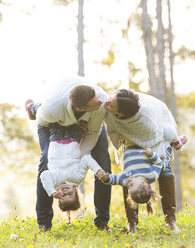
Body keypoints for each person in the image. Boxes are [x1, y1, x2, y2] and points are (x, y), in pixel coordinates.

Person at [25, 76, 112, 232]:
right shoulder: (52, 108)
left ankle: (102, 222)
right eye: (96, 103)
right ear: (81, 108)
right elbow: (43, 122)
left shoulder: (100, 102)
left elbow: (93, 132)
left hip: (88, 123)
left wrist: (77, 153)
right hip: (52, 122)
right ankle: (44, 223)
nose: (101, 103)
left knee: (103, 162)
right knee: (45, 158)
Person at [104, 89, 187, 232]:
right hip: (132, 143)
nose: (108, 103)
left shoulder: (147, 120)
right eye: (112, 98)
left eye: (112, 105)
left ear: (121, 115)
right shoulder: (120, 105)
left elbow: (156, 137)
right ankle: (132, 223)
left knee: (165, 170)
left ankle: (171, 220)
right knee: (129, 176)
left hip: (159, 138)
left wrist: (151, 154)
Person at [100, 141, 170, 232]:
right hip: (143, 143)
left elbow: (114, 180)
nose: (128, 184)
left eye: (129, 188)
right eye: (132, 185)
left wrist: (106, 179)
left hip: (128, 145)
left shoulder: (126, 179)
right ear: (143, 183)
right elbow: (159, 164)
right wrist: (152, 155)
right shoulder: (151, 175)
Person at [40, 123, 108, 214]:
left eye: (62, 196)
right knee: (71, 113)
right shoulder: (77, 179)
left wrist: (51, 192)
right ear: (76, 191)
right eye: (70, 194)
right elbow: (86, 159)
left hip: (55, 136)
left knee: (57, 113)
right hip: (73, 136)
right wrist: (98, 170)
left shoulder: (54, 183)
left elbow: (44, 175)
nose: (65, 192)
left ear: (58, 197)